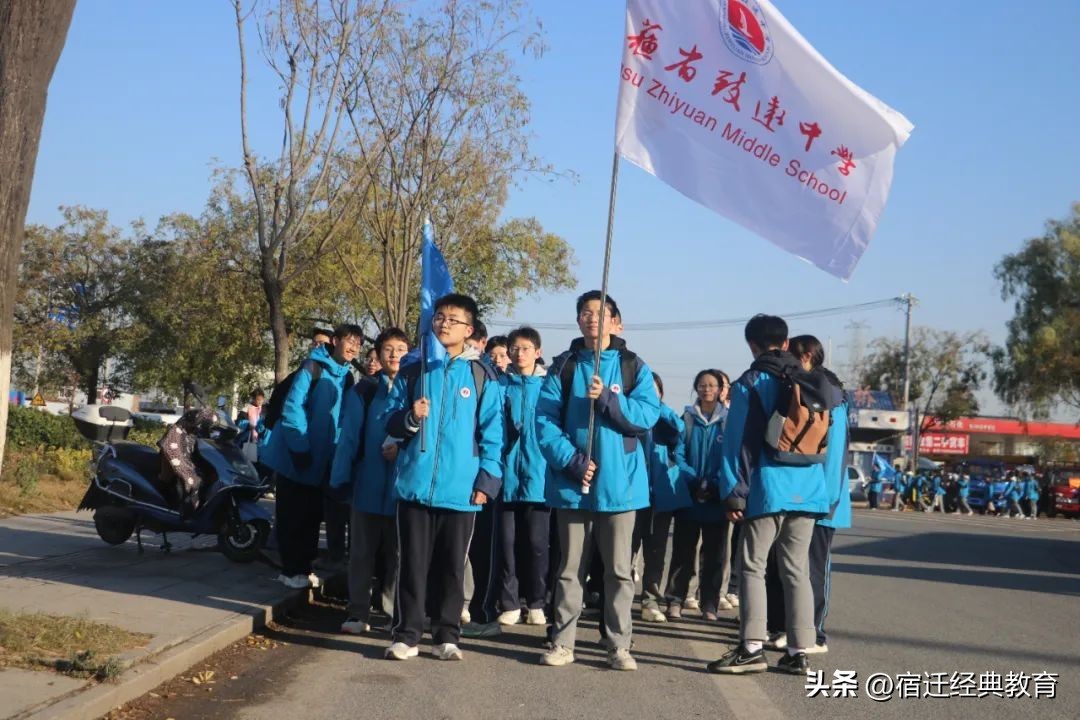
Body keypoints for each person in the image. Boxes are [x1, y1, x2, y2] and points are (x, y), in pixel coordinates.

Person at [708, 315, 842, 676]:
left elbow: (738, 444)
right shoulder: (818, 381)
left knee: (752, 566)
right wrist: (828, 496)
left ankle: (751, 647)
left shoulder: (752, 382)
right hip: (810, 490)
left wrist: (733, 493)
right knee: (797, 570)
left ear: (752, 345)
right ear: (786, 343)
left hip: (767, 488)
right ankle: (799, 650)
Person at [535, 290, 660, 671]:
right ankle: (562, 642)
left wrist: (607, 398)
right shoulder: (564, 366)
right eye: (586, 313)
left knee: (619, 572)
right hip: (573, 486)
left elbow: (646, 416)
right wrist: (571, 461)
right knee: (569, 569)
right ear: (578, 321)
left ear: (616, 322)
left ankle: (619, 644)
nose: (593, 318)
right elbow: (544, 421)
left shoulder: (633, 366)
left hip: (621, 487)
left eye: (602, 313)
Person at [383, 294, 503, 662]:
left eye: (453, 319)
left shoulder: (482, 375)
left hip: (461, 489)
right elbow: (389, 421)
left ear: (469, 330)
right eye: (439, 317)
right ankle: (407, 635)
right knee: (412, 564)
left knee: (452, 567)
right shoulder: (414, 370)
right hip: (415, 485)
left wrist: (487, 481)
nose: (444, 323)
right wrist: (410, 417)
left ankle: (447, 635)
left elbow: (493, 434)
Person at [762, 335, 848, 656]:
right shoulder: (798, 388)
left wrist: (828, 500)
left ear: (808, 356)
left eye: (791, 355)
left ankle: (815, 634)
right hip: (796, 496)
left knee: (813, 569)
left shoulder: (830, 393)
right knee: (784, 566)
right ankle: (787, 629)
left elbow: (835, 454)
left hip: (821, 499)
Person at [262, 324, 362, 589]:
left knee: (311, 517)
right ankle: (290, 570)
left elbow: (341, 419)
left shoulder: (347, 377)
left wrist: (337, 454)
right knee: (292, 515)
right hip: (296, 456)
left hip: (320, 461)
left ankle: (303, 569)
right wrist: (300, 447)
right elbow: (293, 408)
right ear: (335, 341)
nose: (353, 347)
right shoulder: (312, 367)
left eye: (358, 343)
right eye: (349, 341)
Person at [329, 327, 409, 634]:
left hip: (403, 487)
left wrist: (401, 448)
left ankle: (392, 613)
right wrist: (340, 478)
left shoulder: (416, 389)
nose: (394, 355)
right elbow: (349, 438)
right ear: (377, 354)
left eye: (400, 349)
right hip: (367, 484)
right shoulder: (364, 390)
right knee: (361, 553)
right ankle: (357, 612)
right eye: (388, 349)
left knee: (399, 555)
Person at [496, 326, 551, 627]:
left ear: (538, 352)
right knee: (506, 545)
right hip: (506, 478)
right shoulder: (500, 384)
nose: (519, 354)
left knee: (537, 545)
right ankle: (510, 602)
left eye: (525, 348)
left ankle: (537, 602)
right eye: (514, 348)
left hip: (539, 478)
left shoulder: (548, 386)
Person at [665, 369, 730, 621]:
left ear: (721, 389)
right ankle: (675, 600)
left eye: (712, 385)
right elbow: (678, 453)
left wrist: (714, 483)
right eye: (702, 385)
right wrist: (692, 480)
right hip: (689, 496)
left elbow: (732, 457)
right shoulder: (688, 418)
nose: (706, 389)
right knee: (683, 552)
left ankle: (710, 604)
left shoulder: (729, 420)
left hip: (716, 497)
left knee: (714, 555)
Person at [636, 373, 693, 623]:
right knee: (623, 552)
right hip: (632, 493)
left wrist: (656, 405)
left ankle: (650, 600)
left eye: (654, 389)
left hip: (660, 496)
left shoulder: (664, 419)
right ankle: (616, 600)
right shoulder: (630, 415)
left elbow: (679, 430)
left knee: (656, 551)